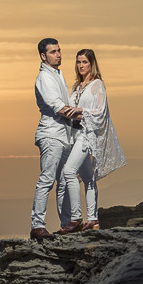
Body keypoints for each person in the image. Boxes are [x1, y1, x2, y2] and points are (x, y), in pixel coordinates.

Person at [56, 49, 127, 234]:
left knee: (68, 171)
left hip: (87, 135)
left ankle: (76, 218)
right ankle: (93, 220)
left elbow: (101, 112)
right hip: (75, 135)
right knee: (88, 178)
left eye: (85, 62)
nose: (81, 66)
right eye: (78, 62)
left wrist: (79, 111)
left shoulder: (98, 85)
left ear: (92, 63)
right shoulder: (76, 87)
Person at [30, 38, 80, 241]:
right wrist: (90, 116)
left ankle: (68, 224)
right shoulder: (45, 77)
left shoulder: (58, 75)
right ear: (43, 56)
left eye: (59, 51)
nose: (58, 54)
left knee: (65, 181)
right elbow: (59, 108)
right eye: (53, 52)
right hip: (51, 135)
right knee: (47, 179)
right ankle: (37, 225)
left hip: (64, 135)